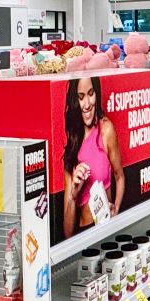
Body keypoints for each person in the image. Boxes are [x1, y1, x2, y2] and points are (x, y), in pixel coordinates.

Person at [61, 74, 124, 238]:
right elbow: (68, 233)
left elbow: (119, 176)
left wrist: (116, 209)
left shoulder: (106, 130)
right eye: (81, 97)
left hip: (107, 228)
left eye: (91, 94)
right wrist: (74, 193)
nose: (87, 104)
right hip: (84, 234)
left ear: (97, 93)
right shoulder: (71, 144)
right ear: (75, 101)